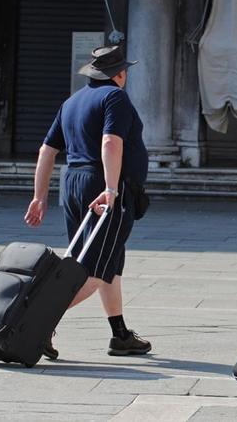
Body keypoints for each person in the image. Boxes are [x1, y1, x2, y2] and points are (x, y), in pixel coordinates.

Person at [24, 45, 152, 358]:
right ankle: (33, 323)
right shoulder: (115, 97)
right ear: (119, 73)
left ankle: (120, 334)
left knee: (106, 260)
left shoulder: (72, 102)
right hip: (102, 185)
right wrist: (111, 188)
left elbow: (47, 151)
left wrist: (39, 197)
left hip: (73, 184)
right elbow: (111, 142)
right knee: (95, 269)